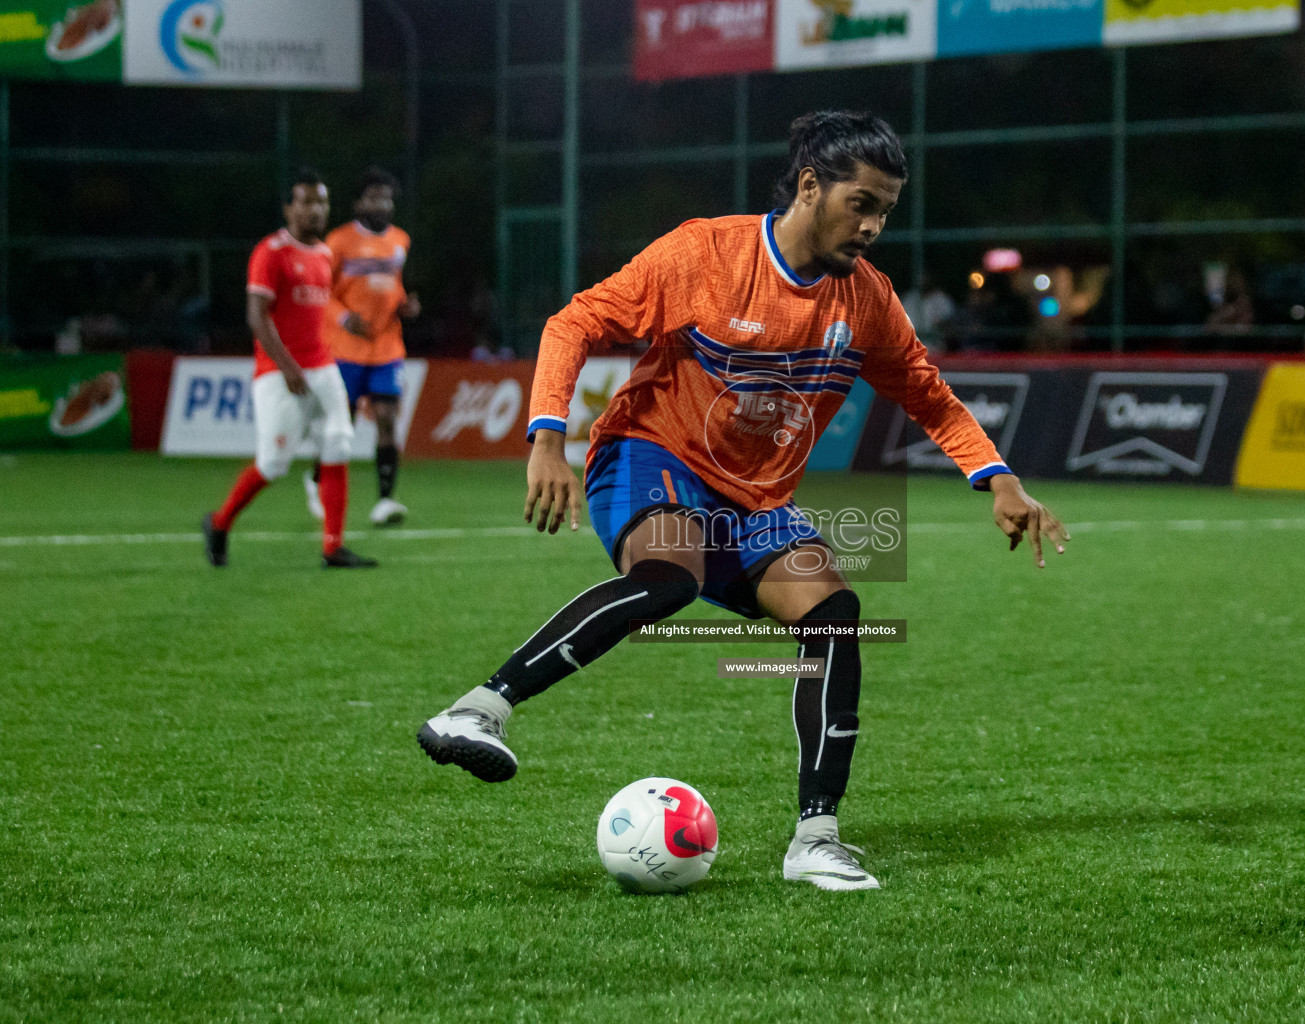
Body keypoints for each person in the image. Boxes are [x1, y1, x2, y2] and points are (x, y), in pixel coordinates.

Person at [415, 111, 1069, 891]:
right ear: (808, 186)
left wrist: (998, 478)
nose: (873, 225)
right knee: (669, 575)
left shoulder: (866, 301)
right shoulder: (707, 254)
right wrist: (547, 437)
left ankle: (816, 839)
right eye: (861, 203)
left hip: (755, 497)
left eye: (886, 210)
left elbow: (928, 395)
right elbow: (576, 320)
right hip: (650, 450)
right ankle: (482, 708)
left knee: (833, 614)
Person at [201, 169, 377, 570]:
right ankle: (219, 523)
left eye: (322, 202)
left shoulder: (324, 255)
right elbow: (257, 317)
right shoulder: (271, 252)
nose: (317, 211)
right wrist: (287, 367)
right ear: (289, 207)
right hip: (280, 374)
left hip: (323, 369)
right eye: (308, 202)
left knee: (339, 446)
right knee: (273, 464)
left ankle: (333, 547)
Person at [304, 166, 420, 527]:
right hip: (345, 348)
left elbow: (393, 285)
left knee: (387, 420)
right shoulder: (337, 242)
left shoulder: (400, 240)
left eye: (385, 197)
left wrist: (405, 305)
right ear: (358, 202)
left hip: (386, 347)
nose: (380, 203)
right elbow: (321, 292)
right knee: (344, 423)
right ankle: (317, 480)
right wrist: (343, 318)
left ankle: (385, 500)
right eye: (373, 196)